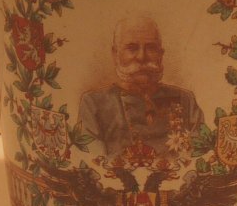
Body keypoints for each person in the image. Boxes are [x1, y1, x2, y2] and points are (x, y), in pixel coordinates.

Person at [78, 15, 204, 157]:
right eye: (132, 48)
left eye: (150, 48)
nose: (141, 57)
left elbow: (198, 158)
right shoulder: (93, 104)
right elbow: (92, 161)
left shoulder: (186, 101)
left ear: (160, 55)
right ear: (115, 54)